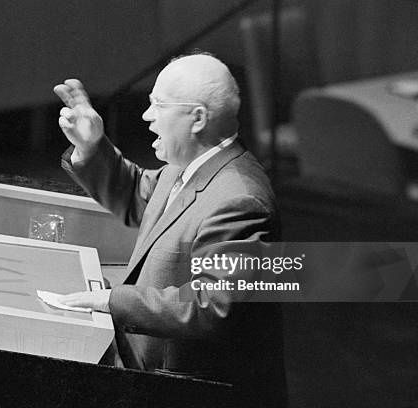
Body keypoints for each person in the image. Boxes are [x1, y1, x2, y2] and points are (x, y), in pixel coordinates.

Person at [54, 53, 285, 406]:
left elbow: (211, 305)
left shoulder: (241, 200)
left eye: (158, 105)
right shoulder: (186, 167)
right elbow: (136, 195)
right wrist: (91, 146)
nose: (147, 117)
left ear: (197, 118)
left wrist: (112, 299)